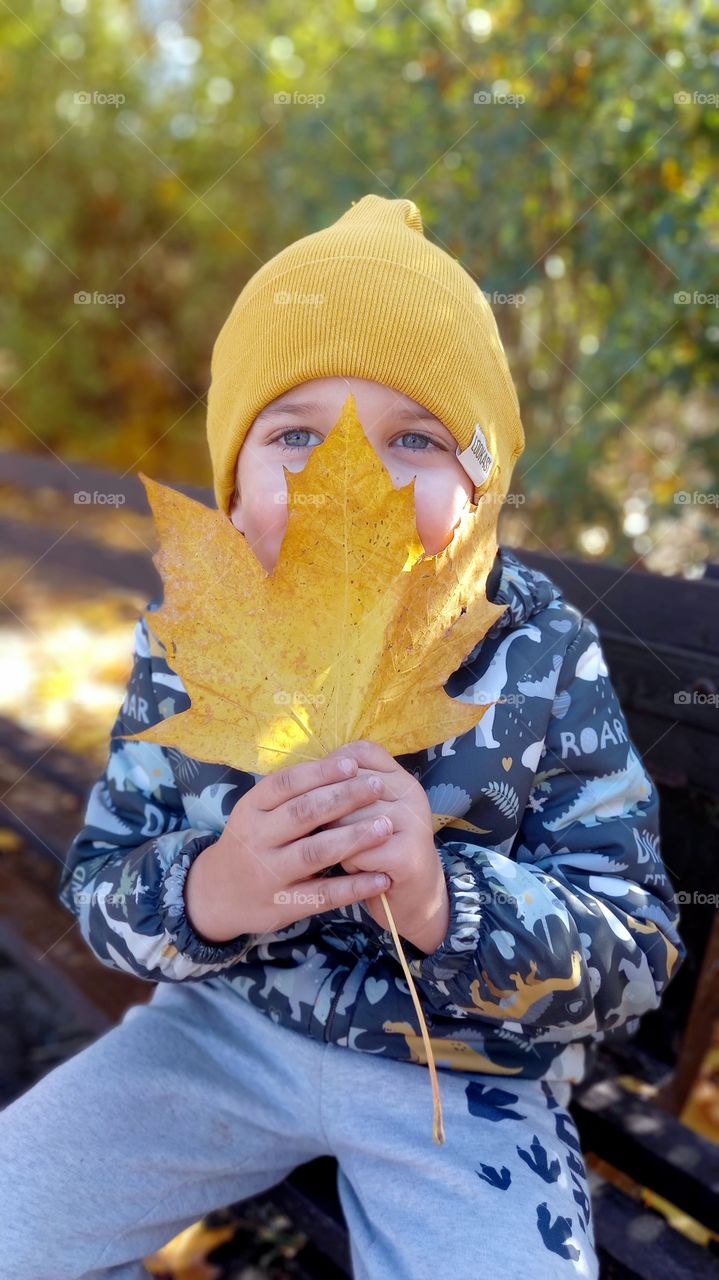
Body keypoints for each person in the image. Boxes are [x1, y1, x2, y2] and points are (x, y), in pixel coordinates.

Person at [0, 195, 686, 1280]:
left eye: (411, 435)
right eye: (295, 433)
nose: (342, 479)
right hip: (221, 1032)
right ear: (230, 485)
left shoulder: (544, 653)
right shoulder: (199, 641)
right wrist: (209, 888)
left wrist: (439, 899)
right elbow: (102, 887)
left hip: (471, 1075)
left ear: (482, 477)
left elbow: (633, 952)